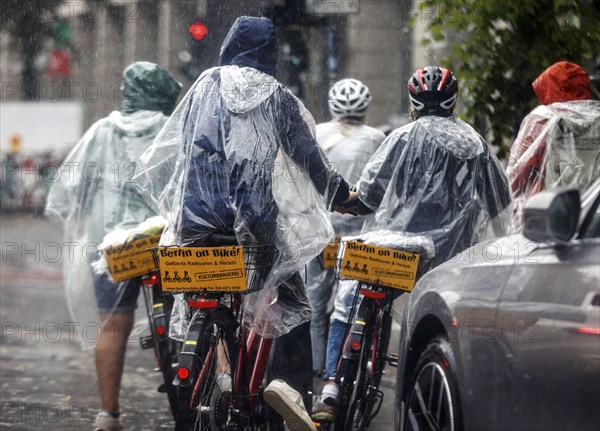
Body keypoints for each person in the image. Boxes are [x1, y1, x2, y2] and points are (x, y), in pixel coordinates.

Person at [135, 16, 354, 431]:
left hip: (196, 227)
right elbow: (310, 159)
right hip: (255, 231)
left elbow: (180, 147)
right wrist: (343, 196)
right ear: (271, 56)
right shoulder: (277, 97)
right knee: (291, 302)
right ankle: (286, 390)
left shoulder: (205, 86)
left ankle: (209, 366)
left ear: (229, 47)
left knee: (208, 291)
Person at [312, 65, 512, 422]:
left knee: (347, 301)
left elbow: (369, 198)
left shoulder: (401, 138)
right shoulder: (475, 144)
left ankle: (331, 386)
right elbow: (501, 206)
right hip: (446, 264)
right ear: (454, 102)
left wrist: (342, 200)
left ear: (413, 102)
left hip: (394, 254)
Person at [45, 62, 182, 431]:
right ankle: (192, 397)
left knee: (112, 327)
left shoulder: (101, 131)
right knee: (184, 319)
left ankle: (108, 414)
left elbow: (69, 189)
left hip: (112, 249)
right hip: (163, 241)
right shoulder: (173, 130)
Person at [306, 78, 385, 377]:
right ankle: (345, 368)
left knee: (315, 301)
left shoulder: (317, 132)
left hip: (320, 231)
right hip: (358, 233)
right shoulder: (378, 138)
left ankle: (316, 367)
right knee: (352, 302)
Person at [507, 61, 600, 229]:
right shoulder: (597, 119)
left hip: (551, 218)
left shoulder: (541, 120)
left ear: (550, 89)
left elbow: (515, 177)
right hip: (594, 221)